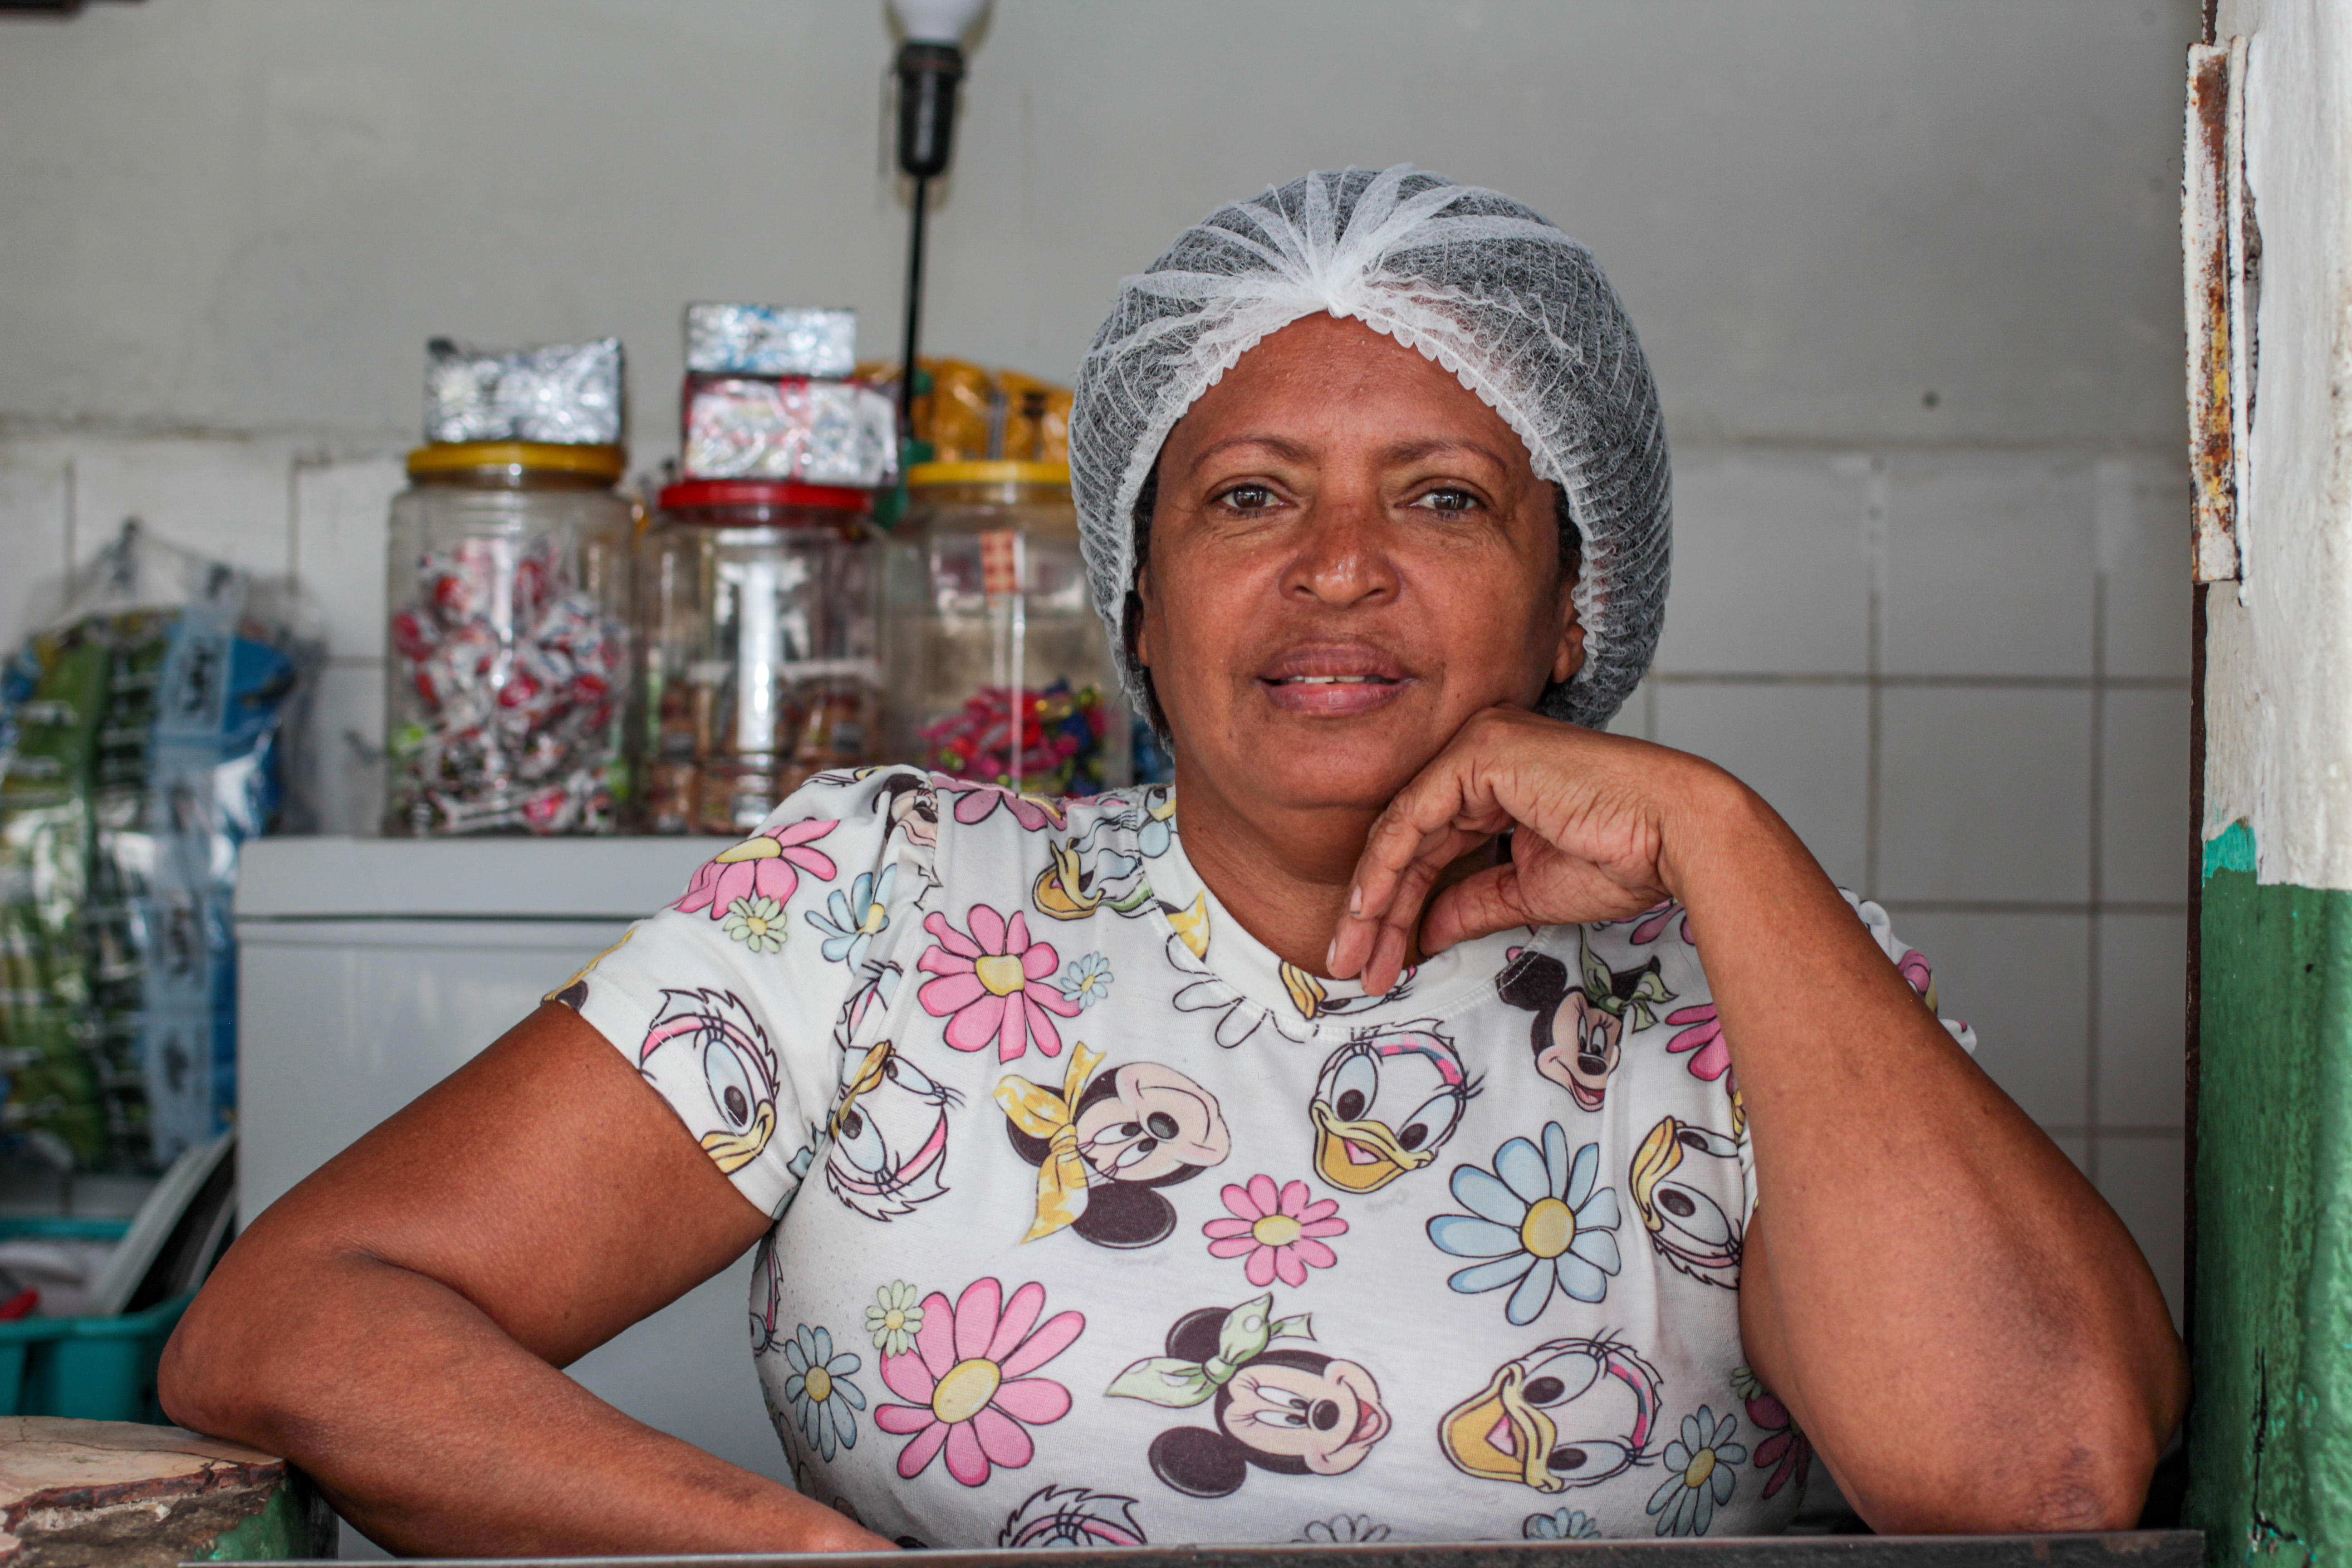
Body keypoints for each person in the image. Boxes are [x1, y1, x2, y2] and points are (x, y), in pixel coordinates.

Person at [160, 167, 2185, 1555]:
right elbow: (299, 1317)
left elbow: (2043, 1477)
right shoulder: (880, 910)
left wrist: (1727, 843)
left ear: (1582, 603)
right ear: (1136, 600)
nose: (1337, 571)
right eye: (1246, 495)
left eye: (1448, 498)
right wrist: (788, 1558)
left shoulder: (1758, 977)